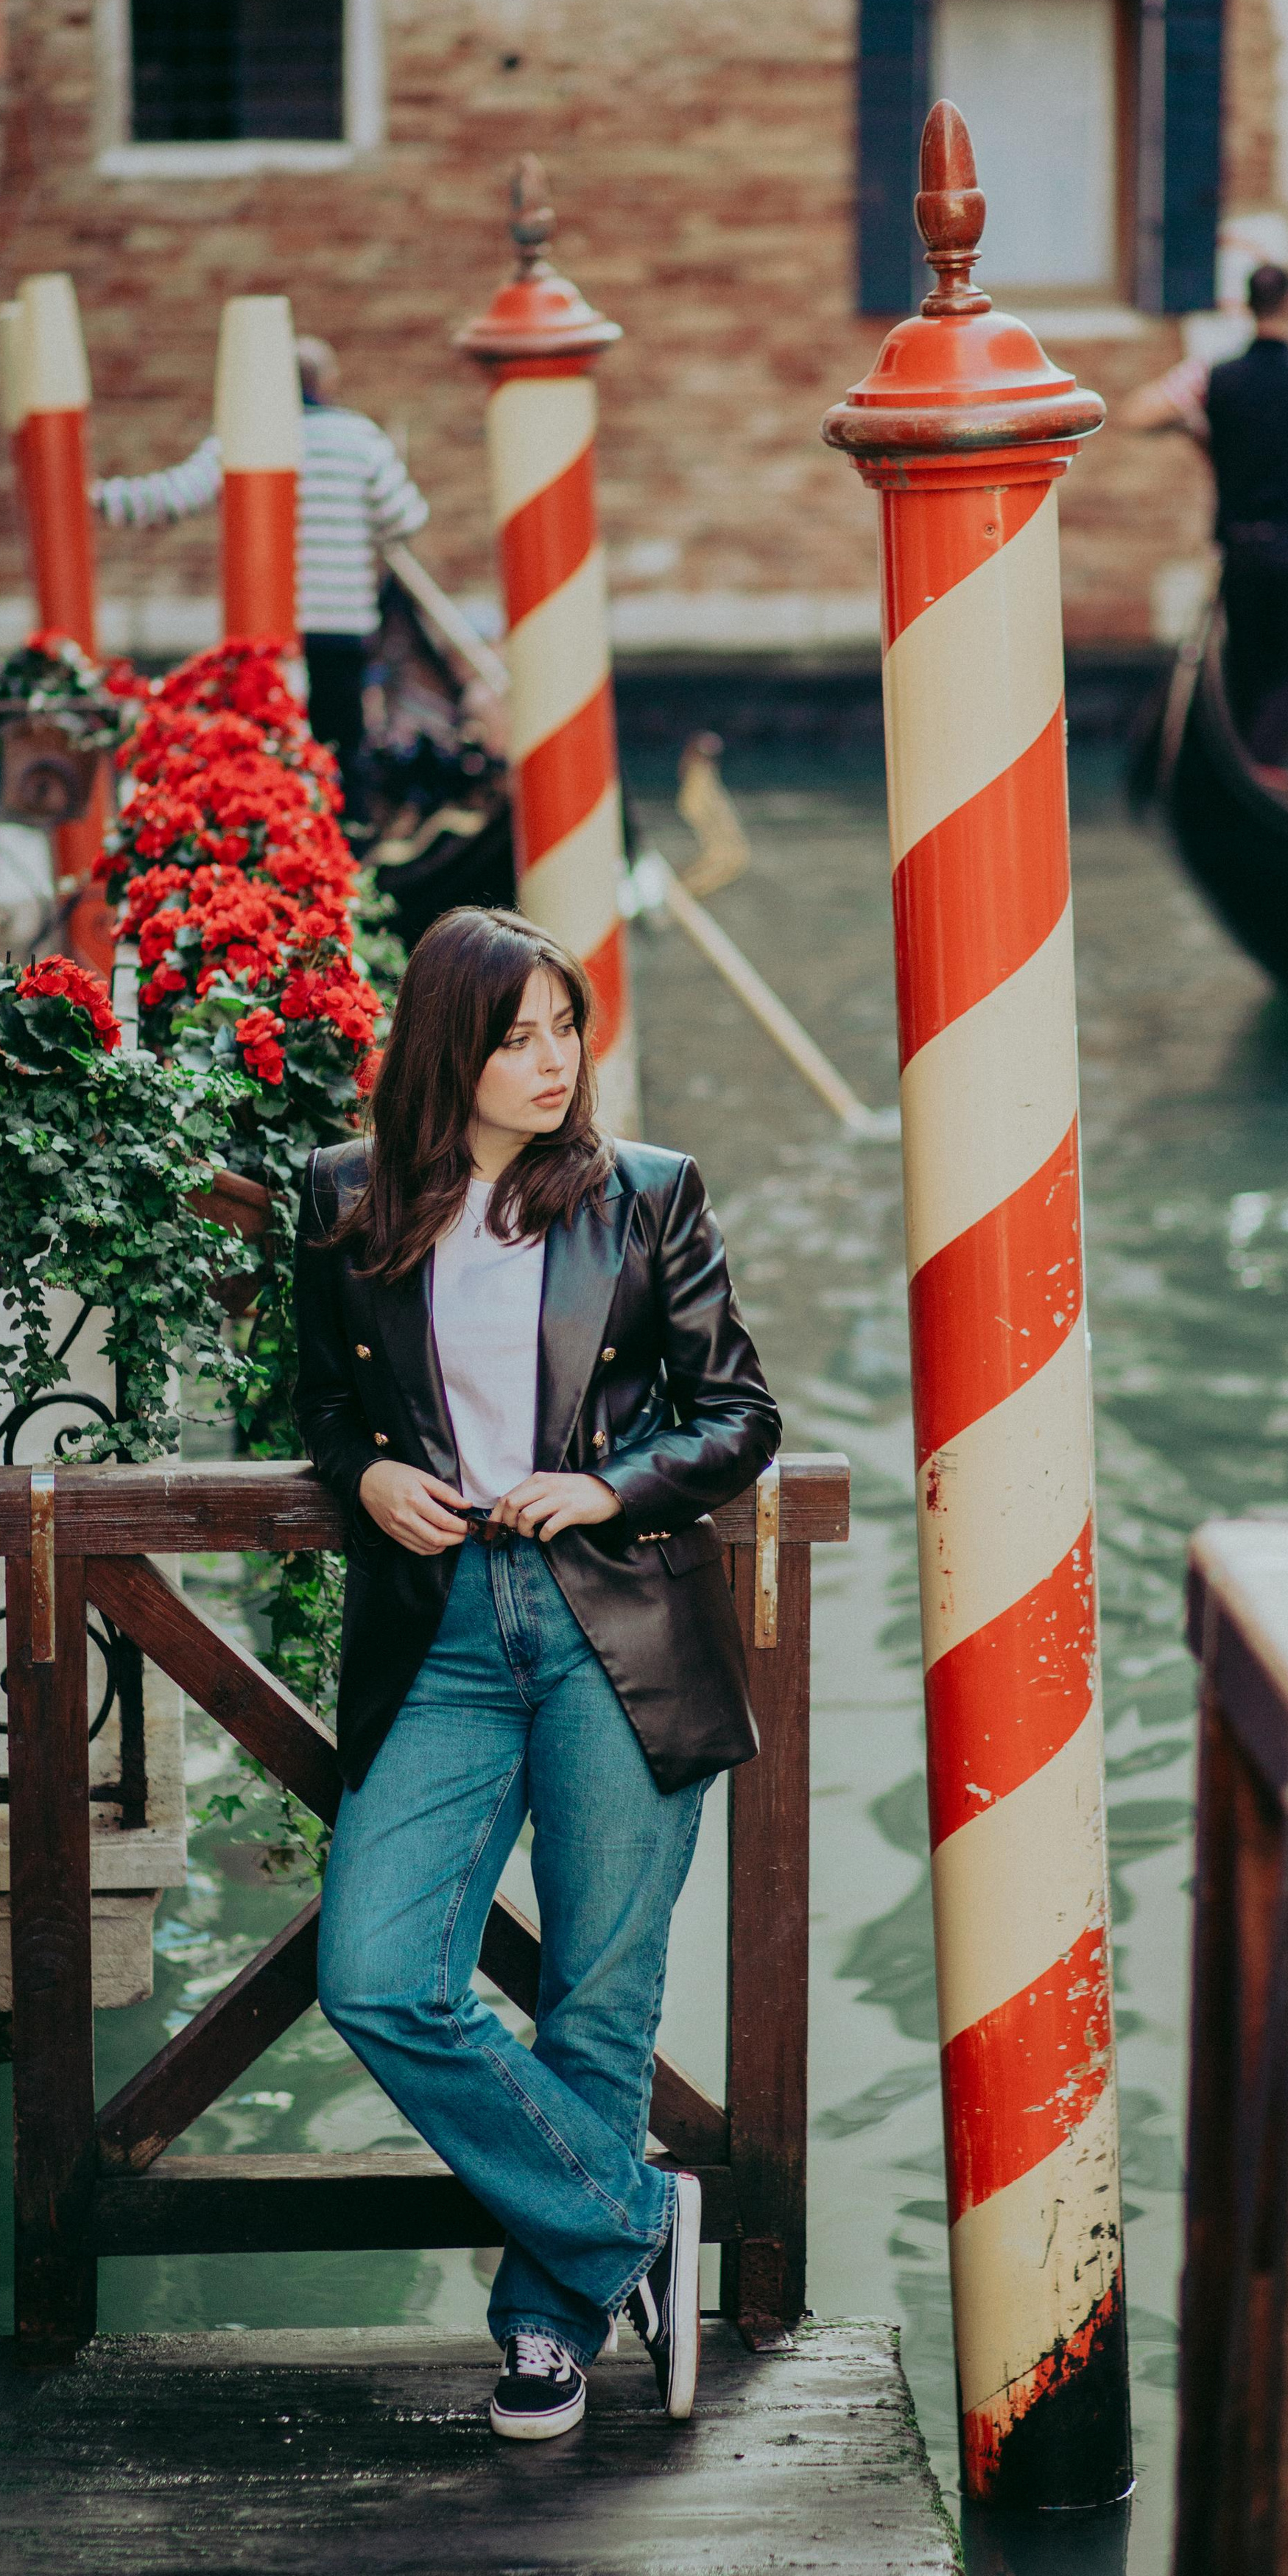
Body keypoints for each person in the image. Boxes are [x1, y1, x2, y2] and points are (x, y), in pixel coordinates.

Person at [294, 906, 781, 2441]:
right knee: (373, 1973)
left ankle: (542, 2331)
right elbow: (323, 1409)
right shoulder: (345, 1198)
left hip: (613, 1630)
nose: (552, 1061)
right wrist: (366, 1479)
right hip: (438, 1637)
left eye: (565, 1029)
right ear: (450, 1045)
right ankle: (635, 2217)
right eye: (516, 1038)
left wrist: (610, 1485)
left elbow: (739, 1416)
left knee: (594, 1998)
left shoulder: (646, 1197)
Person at [94, 336, 426, 819]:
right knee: (340, 748)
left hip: (269, 628)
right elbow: (406, 518)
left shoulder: (244, 433)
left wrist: (100, 497)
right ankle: (349, 849)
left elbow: (176, 495)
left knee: (273, 748)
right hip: (341, 621)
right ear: (328, 383)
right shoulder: (360, 439)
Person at [1120, 263, 1288, 776]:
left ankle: (1251, 768)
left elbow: (1136, 413)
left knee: (1250, 669)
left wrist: (1195, 430)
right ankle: (1264, 770)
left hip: (1242, 552)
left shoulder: (1211, 376)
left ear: (1248, 308)